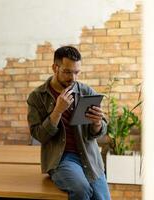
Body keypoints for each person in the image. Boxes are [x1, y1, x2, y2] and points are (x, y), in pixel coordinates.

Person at [27, 46, 111, 200]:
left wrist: (97, 123)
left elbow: (99, 132)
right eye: (67, 72)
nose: (73, 78)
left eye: (76, 72)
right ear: (55, 67)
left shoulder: (87, 92)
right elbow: (39, 135)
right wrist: (57, 111)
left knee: (101, 198)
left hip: (89, 156)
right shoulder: (37, 97)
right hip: (61, 158)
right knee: (81, 190)